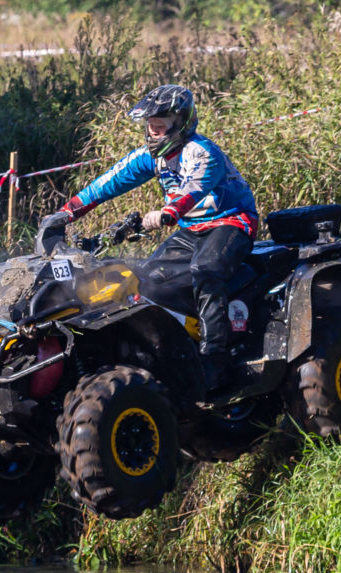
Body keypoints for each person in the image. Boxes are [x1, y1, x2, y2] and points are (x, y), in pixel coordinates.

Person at [37, 84, 259, 393]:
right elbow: (108, 182)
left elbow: (193, 189)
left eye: (160, 126)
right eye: (150, 126)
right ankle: (176, 349)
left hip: (231, 223)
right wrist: (66, 213)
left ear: (181, 123)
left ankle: (215, 360)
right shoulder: (152, 157)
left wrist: (168, 212)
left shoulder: (202, 152)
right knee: (150, 278)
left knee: (205, 271)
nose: (153, 132)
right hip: (191, 230)